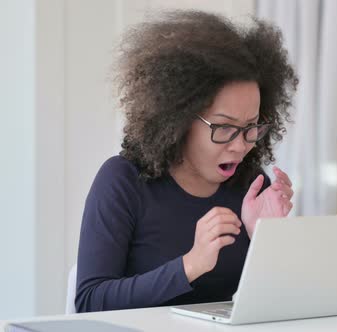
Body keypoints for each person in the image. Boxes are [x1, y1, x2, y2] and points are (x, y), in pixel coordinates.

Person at [75, 10, 298, 313]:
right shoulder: (123, 181)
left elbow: (274, 307)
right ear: (178, 120)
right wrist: (190, 265)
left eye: (251, 127)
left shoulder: (251, 186)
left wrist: (264, 241)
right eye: (224, 128)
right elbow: (90, 301)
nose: (240, 145)